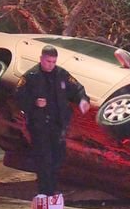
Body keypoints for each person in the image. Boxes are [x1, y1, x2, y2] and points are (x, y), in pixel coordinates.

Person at [15, 44, 90, 199]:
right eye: (48, 61)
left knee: (58, 158)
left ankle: (53, 189)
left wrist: (83, 100)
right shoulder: (31, 76)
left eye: (53, 62)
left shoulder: (61, 74)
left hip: (59, 125)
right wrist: (34, 103)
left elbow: (77, 89)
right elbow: (18, 97)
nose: (51, 65)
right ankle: (44, 190)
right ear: (41, 59)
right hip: (39, 125)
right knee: (43, 158)